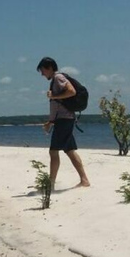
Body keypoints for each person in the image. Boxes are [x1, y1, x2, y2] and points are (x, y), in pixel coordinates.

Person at [37, 57, 90, 189]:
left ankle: (51, 185)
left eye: (43, 71)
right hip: (64, 119)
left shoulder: (58, 78)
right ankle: (84, 180)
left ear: (49, 68)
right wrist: (50, 121)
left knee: (53, 151)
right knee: (70, 150)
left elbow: (72, 91)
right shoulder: (56, 80)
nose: (42, 74)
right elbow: (58, 106)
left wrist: (53, 96)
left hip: (64, 120)